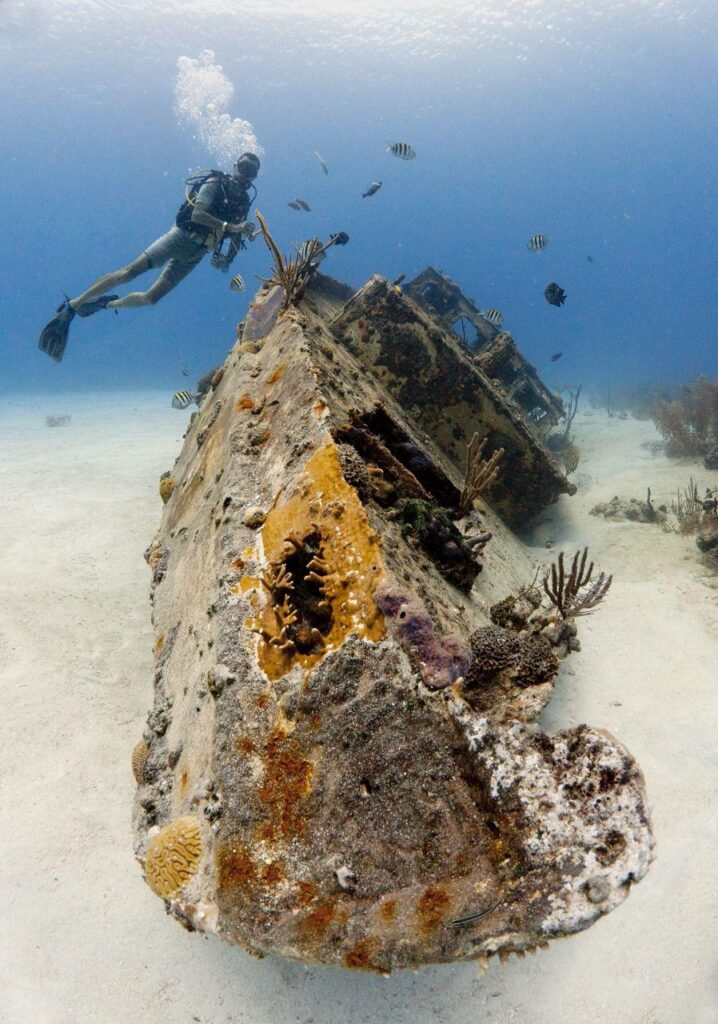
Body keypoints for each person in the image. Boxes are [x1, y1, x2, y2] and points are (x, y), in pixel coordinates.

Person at [38, 152, 261, 362]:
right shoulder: (215, 184)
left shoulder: (243, 202)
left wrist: (228, 258)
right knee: (128, 273)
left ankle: (104, 305)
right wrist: (229, 226)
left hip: (197, 254)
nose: (246, 174)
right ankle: (71, 307)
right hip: (179, 238)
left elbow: (236, 233)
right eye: (243, 168)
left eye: (251, 171)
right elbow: (198, 214)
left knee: (151, 298)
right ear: (235, 167)